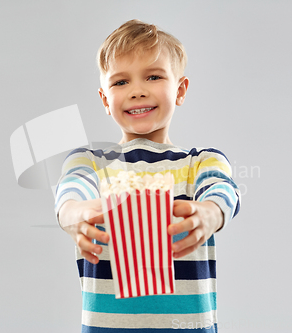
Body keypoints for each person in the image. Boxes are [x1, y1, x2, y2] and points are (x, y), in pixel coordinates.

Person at [55, 19, 241, 333]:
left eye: (153, 76)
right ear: (104, 99)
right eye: (120, 82)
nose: (137, 91)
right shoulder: (90, 162)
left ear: (179, 89)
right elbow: (71, 188)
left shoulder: (200, 162)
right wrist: (72, 212)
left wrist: (211, 212)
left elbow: (222, 190)